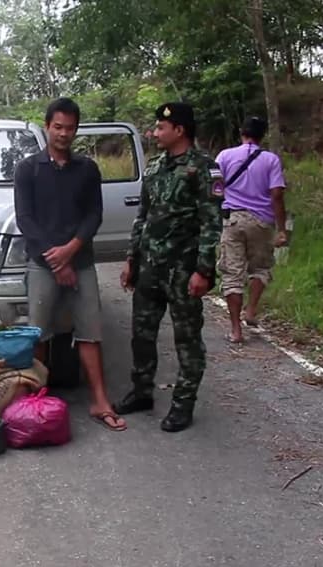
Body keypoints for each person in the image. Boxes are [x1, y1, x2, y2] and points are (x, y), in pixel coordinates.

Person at [13, 97, 125, 432]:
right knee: (39, 335)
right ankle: (36, 398)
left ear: (77, 130)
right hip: (42, 263)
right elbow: (26, 220)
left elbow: (94, 215)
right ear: (47, 127)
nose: (63, 134)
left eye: (70, 128)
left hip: (82, 262)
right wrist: (55, 258)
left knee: (90, 333)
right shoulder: (28, 169)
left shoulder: (87, 169)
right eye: (58, 127)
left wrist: (71, 250)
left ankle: (100, 400)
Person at [115, 102, 224, 433]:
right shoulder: (155, 167)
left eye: (161, 128)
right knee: (141, 334)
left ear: (179, 130)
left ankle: (183, 404)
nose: (155, 132)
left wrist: (204, 271)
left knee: (186, 339)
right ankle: (142, 391)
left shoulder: (205, 168)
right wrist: (131, 260)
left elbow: (211, 223)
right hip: (150, 268)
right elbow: (143, 218)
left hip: (183, 270)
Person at [215, 116, 288, 344]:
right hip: (261, 221)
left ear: (241, 132)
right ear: (262, 135)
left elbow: (215, 188)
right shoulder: (271, 160)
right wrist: (281, 228)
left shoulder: (224, 156)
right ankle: (251, 310)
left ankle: (236, 331)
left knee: (232, 274)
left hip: (233, 220)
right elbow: (276, 194)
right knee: (261, 268)